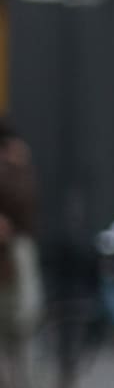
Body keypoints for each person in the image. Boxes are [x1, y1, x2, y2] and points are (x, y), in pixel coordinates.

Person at [0, 120, 40, 350]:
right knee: (20, 306)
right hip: (11, 249)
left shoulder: (18, 168)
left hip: (18, 244)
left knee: (24, 309)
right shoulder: (10, 169)